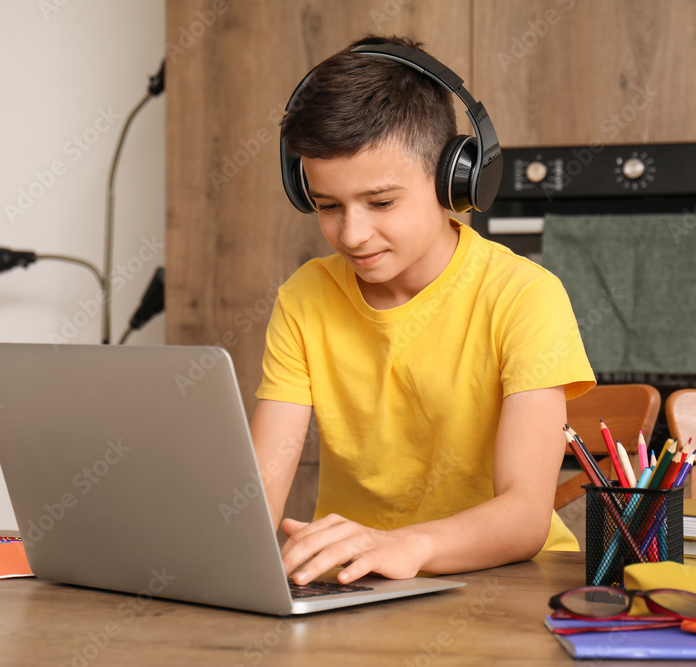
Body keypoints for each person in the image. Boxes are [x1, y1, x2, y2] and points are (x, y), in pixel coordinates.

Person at [251, 35, 596, 587]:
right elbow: (257, 496)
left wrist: (402, 546)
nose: (353, 233)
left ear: (455, 179)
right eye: (328, 206)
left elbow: (526, 515)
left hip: (503, 586)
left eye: (381, 202)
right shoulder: (305, 296)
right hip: (351, 586)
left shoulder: (524, 296)